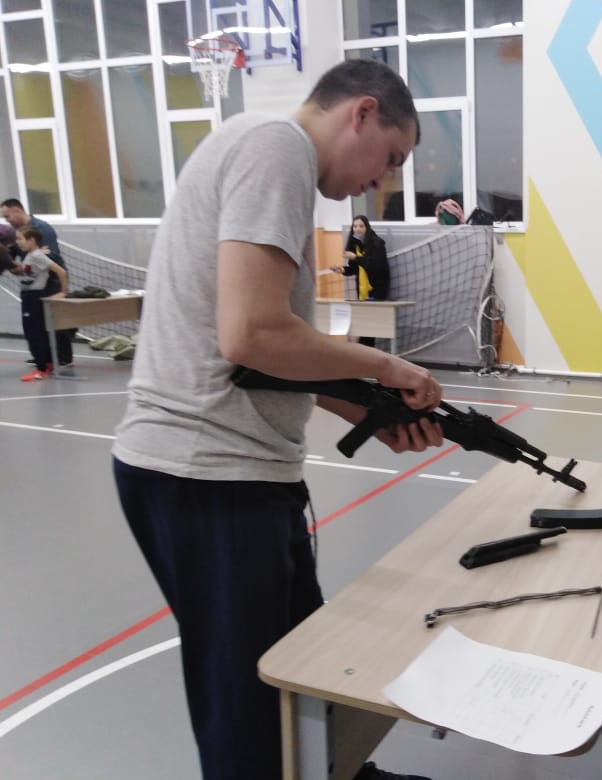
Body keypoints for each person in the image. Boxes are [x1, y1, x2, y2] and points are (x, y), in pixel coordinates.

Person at [111, 59, 442, 780]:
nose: (381, 181)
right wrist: (386, 368)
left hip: (233, 470)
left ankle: (338, 772)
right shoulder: (276, 148)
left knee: (302, 661)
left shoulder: (264, 148)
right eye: (390, 157)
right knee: (247, 698)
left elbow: (268, 354)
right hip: (206, 471)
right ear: (361, 112)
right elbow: (252, 334)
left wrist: (371, 410)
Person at [2, 197, 75, 366]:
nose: (7, 221)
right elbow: (12, 255)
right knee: (36, 324)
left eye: (7, 216)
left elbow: (49, 257)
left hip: (49, 283)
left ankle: (63, 357)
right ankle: (43, 356)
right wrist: (9, 263)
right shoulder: (17, 233)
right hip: (32, 284)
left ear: (17, 211)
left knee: (55, 320)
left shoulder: (41, 229)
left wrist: (62, 290)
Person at [10, 225, 67, 381]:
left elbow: (61, 271)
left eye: (20, 239)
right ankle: (47, 363)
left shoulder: (36, 256)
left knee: (33, 333)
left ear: (32, 240)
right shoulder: (32, 255)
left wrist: (63, 292)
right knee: (39, 332)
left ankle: (41, 368)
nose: (17, 242)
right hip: (29, 296)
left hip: (33, 297)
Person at [332, 214, 389, 301]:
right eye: (355, 226)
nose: (357, 229)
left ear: (367, 228)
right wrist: (343, 270)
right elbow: (355, 268)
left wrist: (356, 258)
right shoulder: (355, 244)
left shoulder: (377, 243)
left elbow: (375, 265)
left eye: (361, 226)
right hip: (362, 287)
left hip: (377, 286)